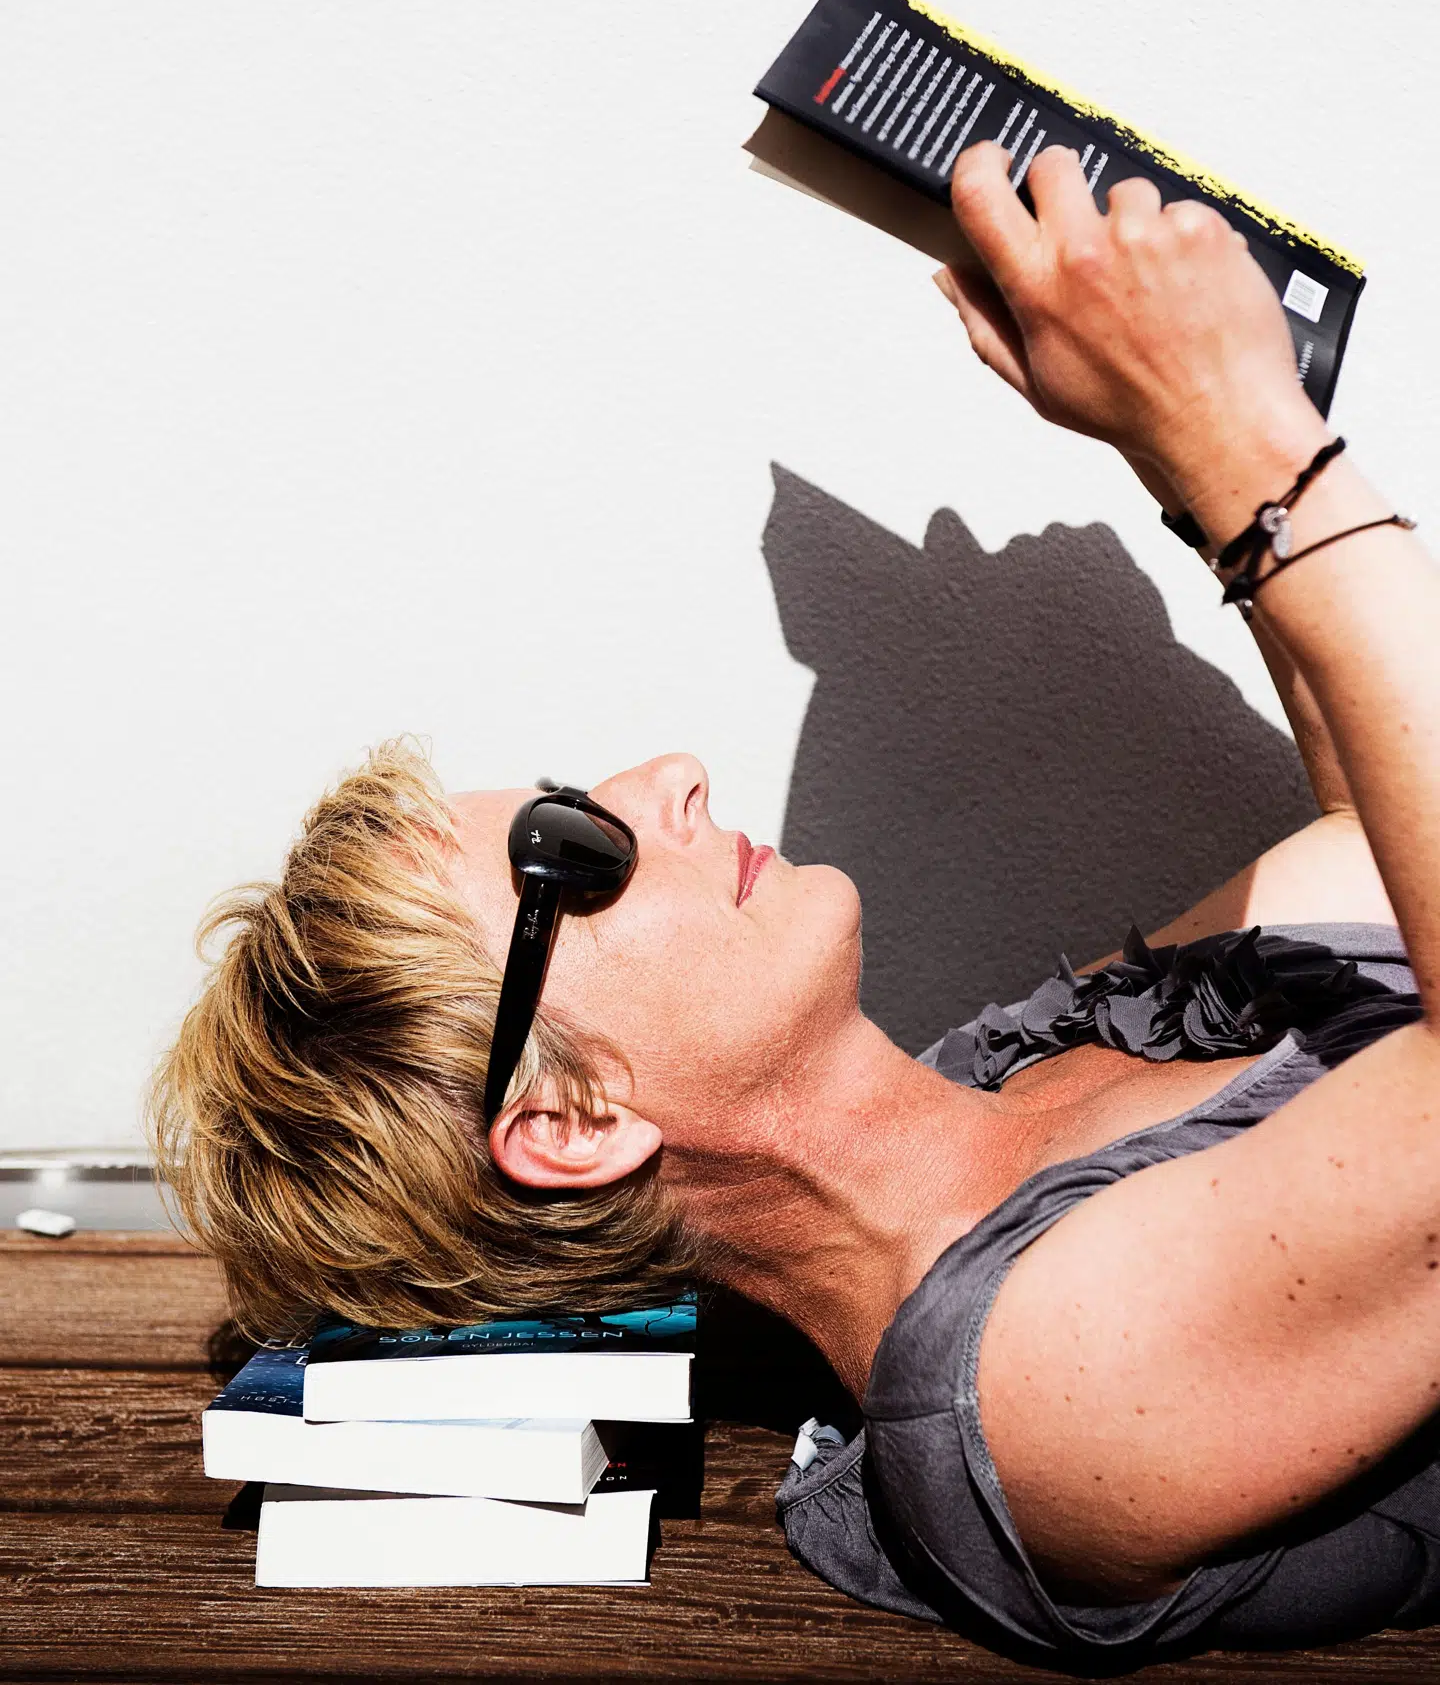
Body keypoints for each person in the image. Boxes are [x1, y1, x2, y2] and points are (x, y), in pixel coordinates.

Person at [153, 139, 1440, 1667]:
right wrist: (1244, 448)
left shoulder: (1001, 1070)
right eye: (577, 848)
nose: (670, 778)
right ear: (571, 1122)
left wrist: (1171, 431)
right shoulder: (1035, 1386)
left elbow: (1371, 841)